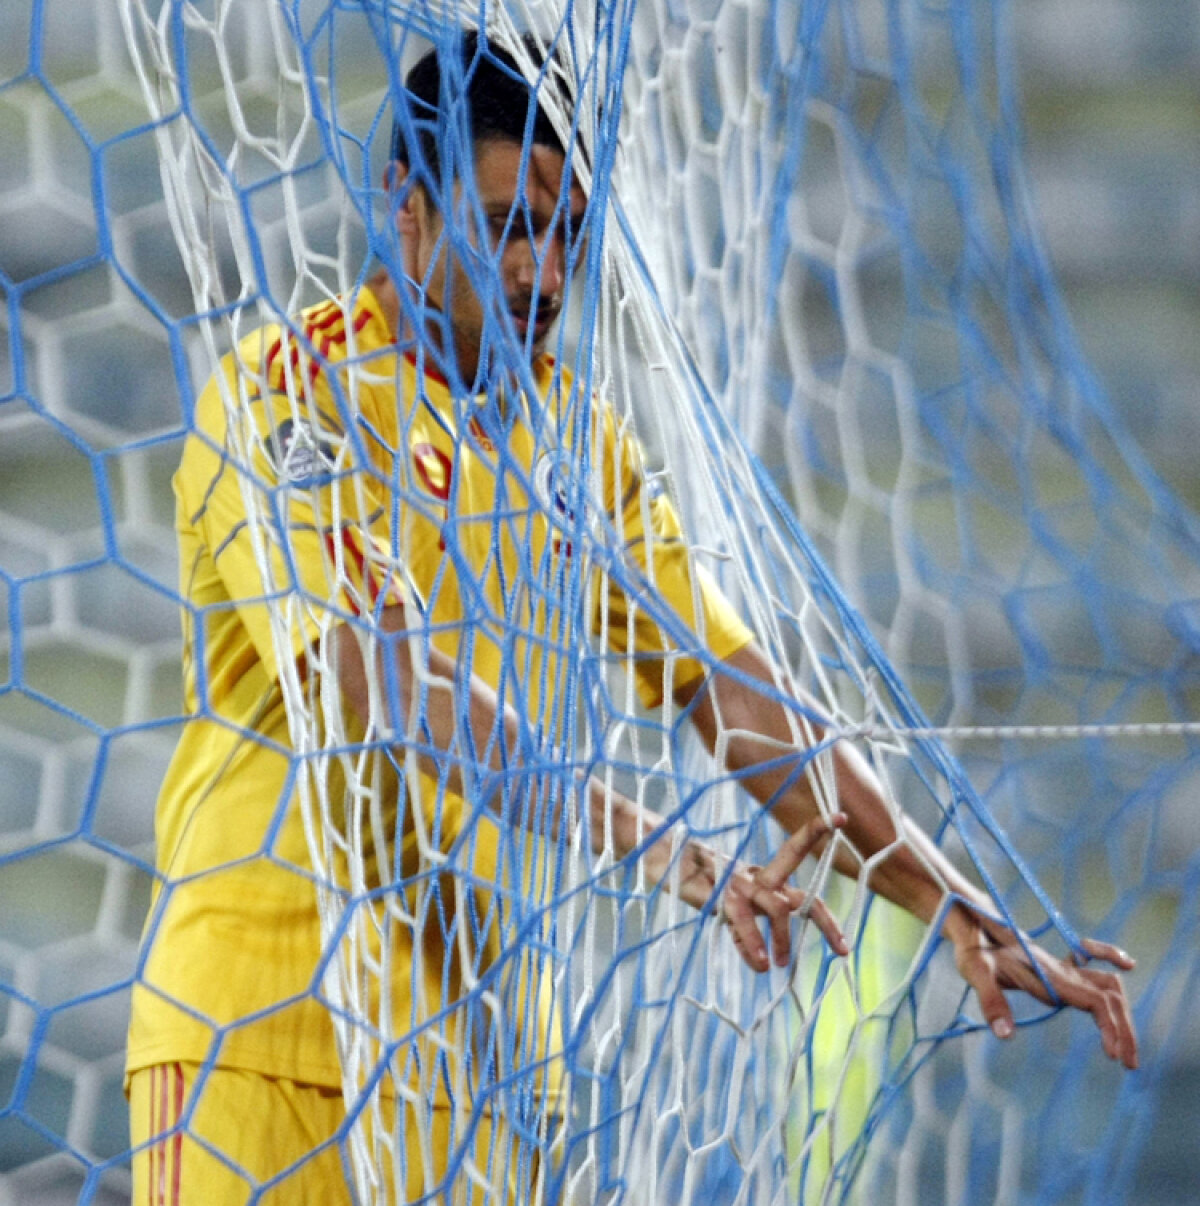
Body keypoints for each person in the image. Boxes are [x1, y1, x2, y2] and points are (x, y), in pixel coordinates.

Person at [125, 28, 1138, 1206]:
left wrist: (945, 897)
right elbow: (388, 686)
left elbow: (734, 690)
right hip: (255, 1032)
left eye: (567, 232)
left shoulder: (578, 443)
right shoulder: (287, 390)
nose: (543, 274)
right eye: (507, 226)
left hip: (483, 1058)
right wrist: (669, 852)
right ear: (405, 207)